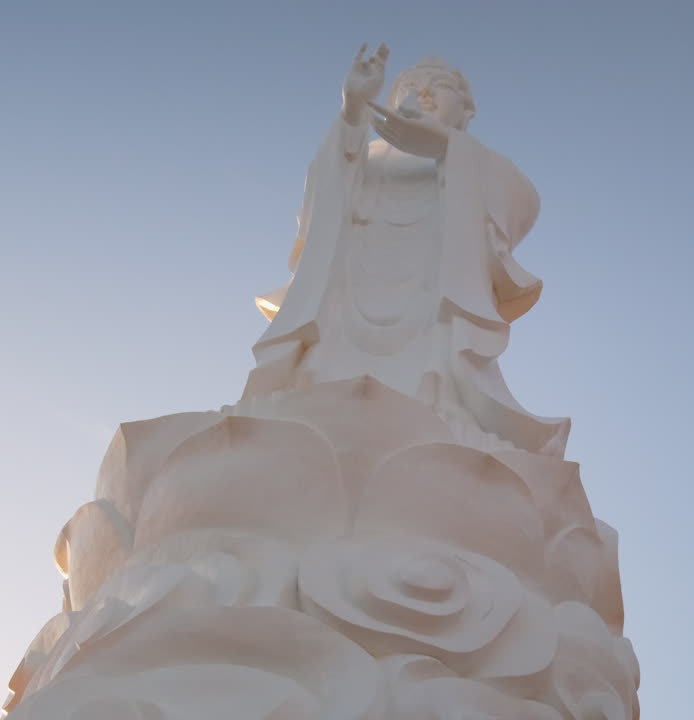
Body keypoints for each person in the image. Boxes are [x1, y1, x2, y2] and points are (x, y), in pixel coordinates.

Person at [243, 44, 569, 457]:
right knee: (319, 376)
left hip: (428, 302)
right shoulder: (361, 155)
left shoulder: (478, 164)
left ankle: (442, 410)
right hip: (351, 291)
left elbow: (524, 202)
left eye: (441, 87)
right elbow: (318, 204)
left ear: (465, 113)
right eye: (413, 86)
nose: (425, 94)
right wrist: (352, 112)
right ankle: (308, 401)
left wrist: (449, 151)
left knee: (434, 371)